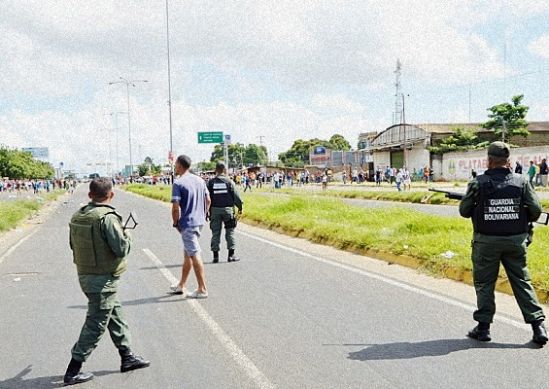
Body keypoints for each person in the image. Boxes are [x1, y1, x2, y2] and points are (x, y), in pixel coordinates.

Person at [459, 142, 548, 345]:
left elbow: (464, 211)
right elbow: (535, 211)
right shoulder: (522, 181)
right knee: (521, 281)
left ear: (489, 160)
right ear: (508, 161)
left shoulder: (477, 183)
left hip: (486, 243)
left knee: (484, 284)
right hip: (515, 242)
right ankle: (538, 326)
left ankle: (483, 328)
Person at [64, 178, 149, 386]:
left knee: (115, 315)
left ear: (90, 194)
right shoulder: (108, 218)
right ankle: (73, 370)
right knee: (96, 323)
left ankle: (127, 356)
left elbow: (72, 245)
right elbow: (121, 249)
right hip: (103, 281)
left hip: (87, 275)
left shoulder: (79, 215)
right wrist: (127, 234)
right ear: (111, 194)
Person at [170, 155, 211, 299]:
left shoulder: (178, 183)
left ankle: (202, 288)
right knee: (187, 254)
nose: (175, 167)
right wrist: (203, 214)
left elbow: (175, 208)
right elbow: (208, 200)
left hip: (187, 223)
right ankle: (181, 285)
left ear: (180, 165)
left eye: (176, 165)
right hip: (199, 222)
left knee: (194, 254)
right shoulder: (200, 180)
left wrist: (176, 222)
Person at [207, 162, 243, 263]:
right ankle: (231, 256)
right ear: (224, 170)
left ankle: (215, 257)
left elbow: (206, 198)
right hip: (228, 210)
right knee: (230, 232)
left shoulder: (210, 183)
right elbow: (236, 197)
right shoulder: (229, 182)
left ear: (216, 170)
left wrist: (206, 211)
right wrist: (240, 208)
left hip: (214, 210)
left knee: (215, 233)